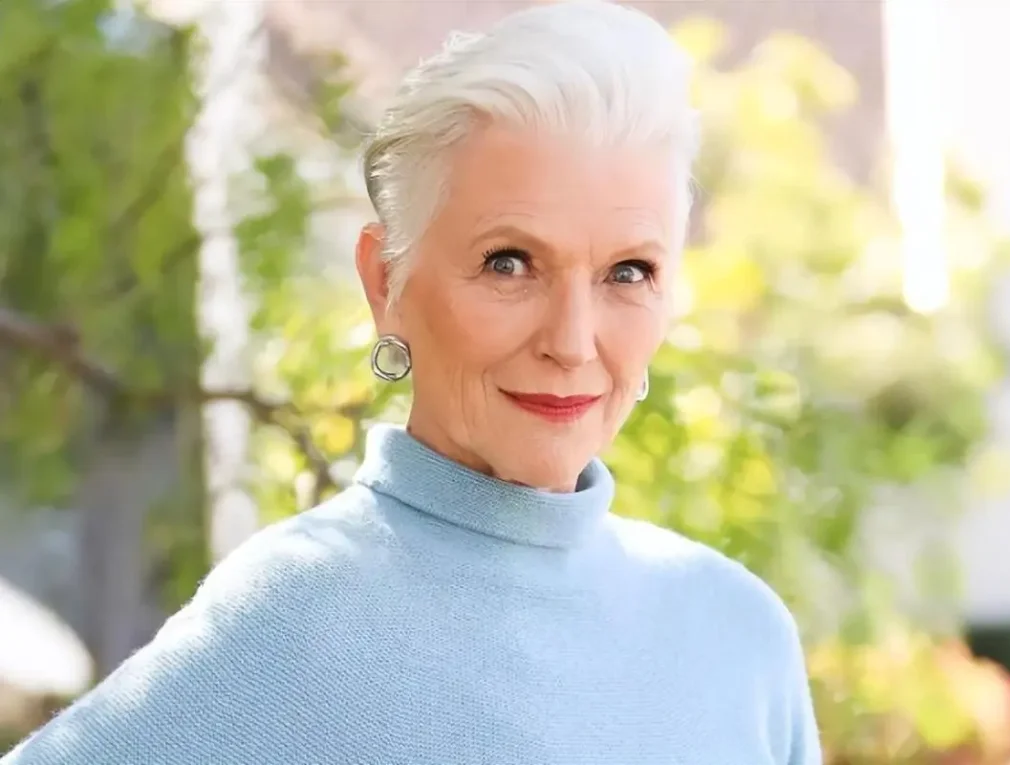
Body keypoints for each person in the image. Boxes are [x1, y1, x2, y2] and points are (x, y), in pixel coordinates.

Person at [2, 2, 821, 763]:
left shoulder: (741, 638)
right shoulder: (296, 616)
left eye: (628, 271)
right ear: (386, 281)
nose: (572, 343)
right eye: (510, 263)